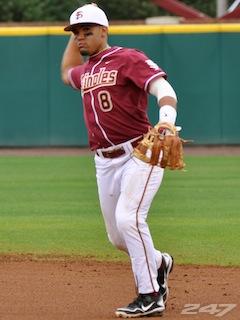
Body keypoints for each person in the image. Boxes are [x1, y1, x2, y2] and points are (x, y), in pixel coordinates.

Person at [61, 3, 176, 318]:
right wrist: (75, 32)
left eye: (88, 31)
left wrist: (166, 119)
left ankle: (150, 295)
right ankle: (160, 262)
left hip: (140, 152)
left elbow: (162, 88)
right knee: (117, 236)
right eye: (76, 33)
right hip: (104, 161)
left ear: (104, 31)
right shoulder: (86, 72)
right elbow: (64, 73)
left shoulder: (127, 58)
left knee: (130, 219)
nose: (81, 38)